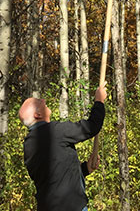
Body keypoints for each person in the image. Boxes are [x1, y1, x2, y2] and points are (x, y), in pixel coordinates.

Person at [19, 82, 107, 211]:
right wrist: (99, 101)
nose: (43, 100)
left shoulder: (28, 145)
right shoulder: (55, 131)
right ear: (37, 115)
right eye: (39, 102)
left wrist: (85, 169)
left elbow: (55, 177)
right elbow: (92, 127)